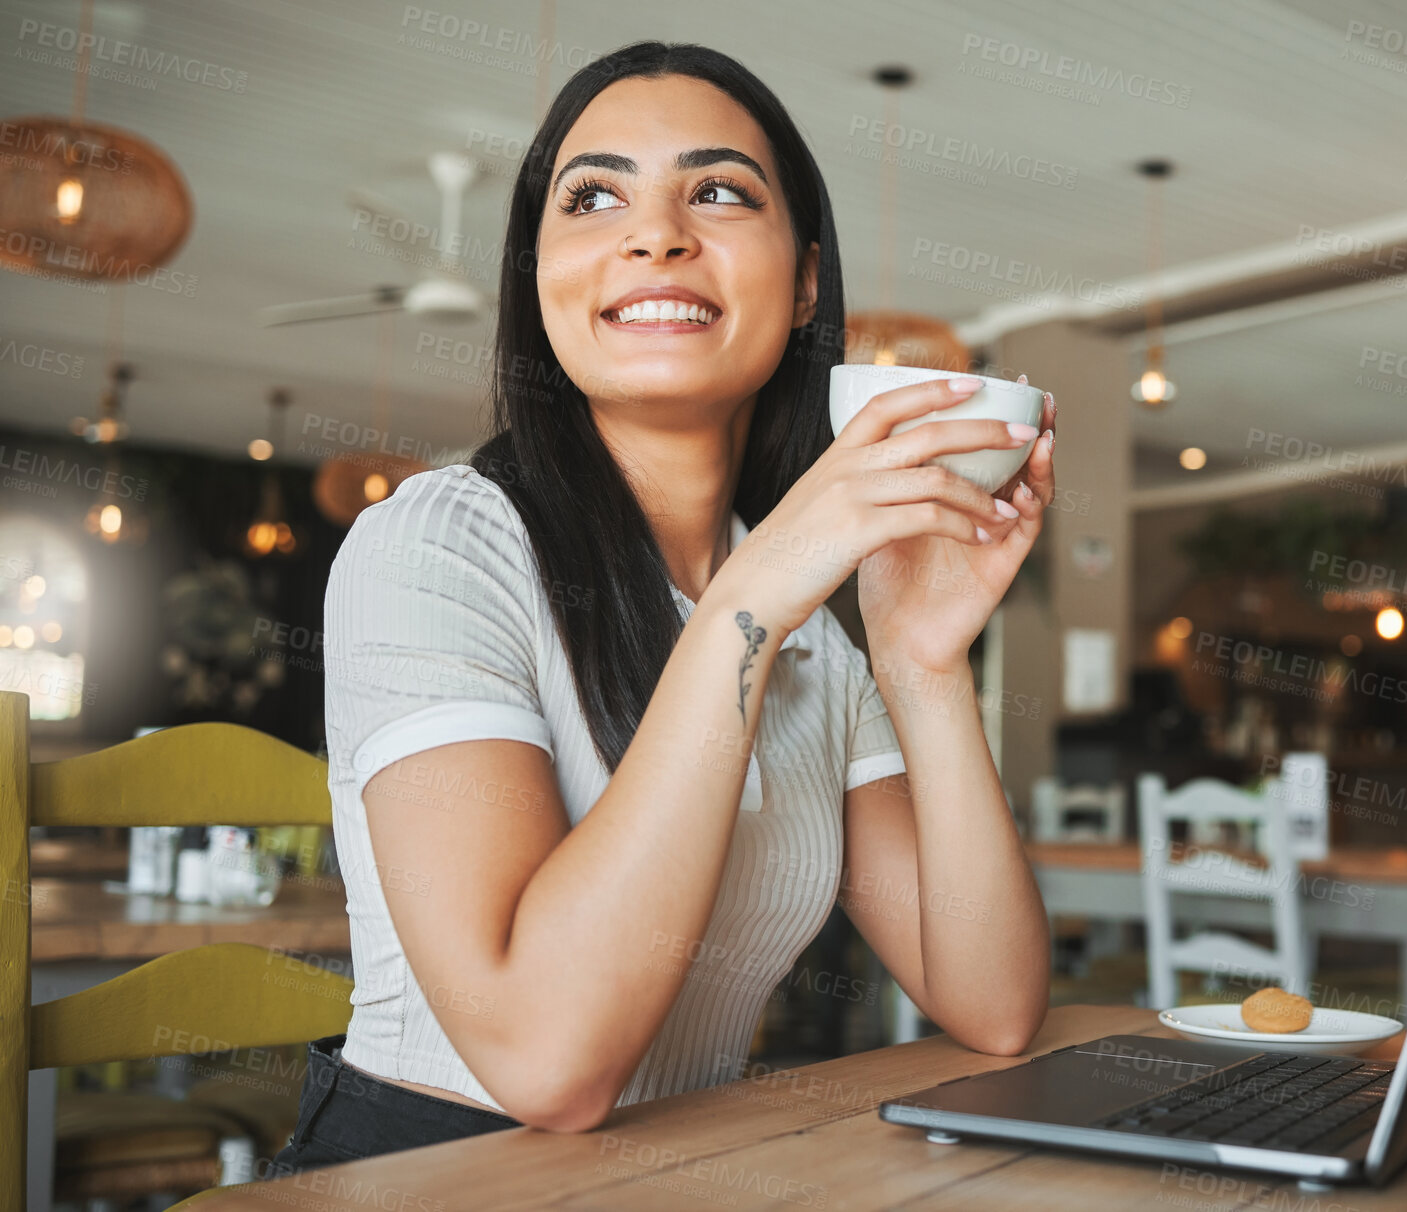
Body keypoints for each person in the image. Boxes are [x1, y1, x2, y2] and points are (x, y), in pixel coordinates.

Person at [267, 38, 1056, 1177]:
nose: (655, 235)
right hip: (425, 1175)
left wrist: (921, 661)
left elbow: (991, 1007)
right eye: (592, 198)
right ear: (538, 278)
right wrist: (748, 603)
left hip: (677, 1176)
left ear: (806, 285)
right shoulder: (437, 545)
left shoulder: (792, 606)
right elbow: (544, 1065)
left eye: (719, 191)